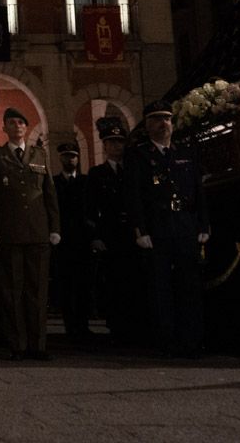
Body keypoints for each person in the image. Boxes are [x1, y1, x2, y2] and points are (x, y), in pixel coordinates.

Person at [126, 103, 209, 358]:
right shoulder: (139, 155)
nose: (163, 124)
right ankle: (167, 340)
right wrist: (140, 230)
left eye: (167, 119)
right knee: (161, 288)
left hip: (184, 226)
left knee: (189, 287)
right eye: (157, 119)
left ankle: (191, 340)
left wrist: (203, 224)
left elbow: (198, 191)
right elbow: (135, 195)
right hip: (157, 228)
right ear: (148, 124)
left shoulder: (184, 152)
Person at [0, 108, 61, 359]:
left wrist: (54, 228)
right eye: (11, 123)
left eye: (20, 122)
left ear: (26, 128)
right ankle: (18, 345)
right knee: (12, 291)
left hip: (38, 232)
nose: (17, 126)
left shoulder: (39, 154)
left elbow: (49, 194)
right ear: (4, 128)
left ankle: (38, 345)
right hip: (10, 233)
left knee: (37, 291)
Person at [88, 114, 141, 344]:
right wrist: (95, 237)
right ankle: (116, 326)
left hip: (131, 233)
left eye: (119, 142)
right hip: (110, 235)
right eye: (111, 143)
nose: (116, 147)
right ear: (105, 146)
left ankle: (134, 325)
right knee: (114, 282)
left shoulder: (132, 172)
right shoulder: (97, 174)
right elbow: (90, 209)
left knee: (134, 280)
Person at [52, 140, 95, 342]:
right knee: (66, 284)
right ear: (61, 158)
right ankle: (70, 325)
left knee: (84, 284)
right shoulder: (54, 182)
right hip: (63, 241)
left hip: (83, 240)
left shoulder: (86, 182)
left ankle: (83, 324)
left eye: (73, 156)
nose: (70, 159)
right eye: (67, 156)